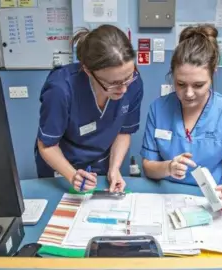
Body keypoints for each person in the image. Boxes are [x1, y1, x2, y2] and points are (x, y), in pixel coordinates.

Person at [140, 24, 222, 209]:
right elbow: (148, 166)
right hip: (165, 197)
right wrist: (168, 167)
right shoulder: (158, 108)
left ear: (213, 71)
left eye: (198, 85)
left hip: (208, 201)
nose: (188, 93)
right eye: (181, 84)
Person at [35, 25, 144, 192]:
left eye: (128, 77)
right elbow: (47, 145)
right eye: (113, 83)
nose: (123, 89)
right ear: (87, 70)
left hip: (103, 163)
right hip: (62, 167)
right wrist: (72, 176)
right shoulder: (60, 89)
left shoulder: (133, 84)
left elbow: (123, 131)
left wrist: (114, 169)